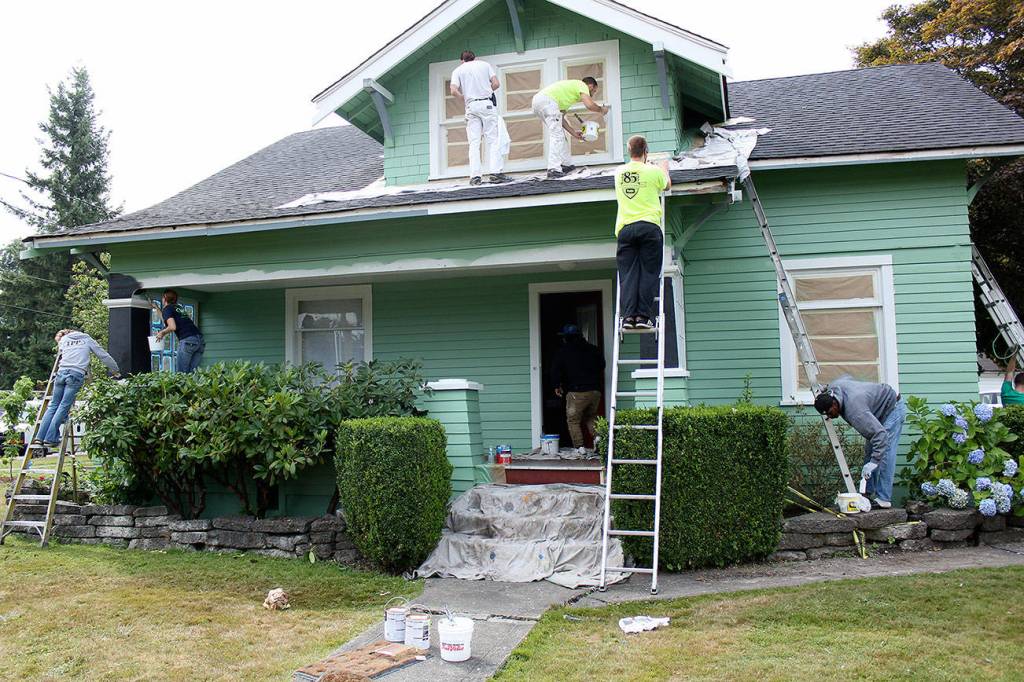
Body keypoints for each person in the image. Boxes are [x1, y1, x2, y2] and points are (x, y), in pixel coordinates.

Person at [814, 376, 906, 509]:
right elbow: (847, 377)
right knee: (870, 451)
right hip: (877, 411)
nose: (829, 416)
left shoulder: (856, 413)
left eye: (829, 412)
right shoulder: (834, 387)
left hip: (892, 408)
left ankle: (884, 498)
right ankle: (866, 493)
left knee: (884, 452)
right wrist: (825, 388)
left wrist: (874, 462)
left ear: (834, 404)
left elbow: (880, 436)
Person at [614, 135, 671, 330]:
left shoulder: (619, 172)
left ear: (629, 151)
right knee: (648, 272)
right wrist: (664, 168)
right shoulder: (654, 171)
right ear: (646, 151)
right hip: (648, 227)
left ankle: (628, 317)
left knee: (628, 274)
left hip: (626, 230)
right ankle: (643, 317)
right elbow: (667, 184)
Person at [33, 329, 119, 448]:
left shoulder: (64, 340)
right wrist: (115, 369)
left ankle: (39, 437)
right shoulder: (86, 339)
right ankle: (50, 438)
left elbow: (61, 351)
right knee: (64, 405)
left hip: (61, 373)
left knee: (53, 405)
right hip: (75, 374)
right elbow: (103, 355)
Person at [450, 50, 511, 186]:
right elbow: (496, 84)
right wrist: (486, 90)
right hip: (486, 104)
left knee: (474, 142)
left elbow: (453, 90)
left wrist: (464, 98)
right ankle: (495, 173)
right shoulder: (484, 65)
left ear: (462, 60)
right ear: (475, 58)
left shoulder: (458, 70)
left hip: (471, 106)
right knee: (493, 140)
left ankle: (475, 176)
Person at [531, 76, 609, 178]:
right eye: (594, 91)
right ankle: (553, 169)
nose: (592, 94)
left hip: (539, 103)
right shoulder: (582, 85)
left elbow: (561, 120)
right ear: (590, 86)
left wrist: (573, 133)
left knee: (560, 135)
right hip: (547, 101)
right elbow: (589, 105)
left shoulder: (567, 96)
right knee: (557, 135)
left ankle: (566, 165)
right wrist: (601, 110)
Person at [550, 324, 606, 451]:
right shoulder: (593, 349)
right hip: (595, 391)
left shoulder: (563, 352)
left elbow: (555, 370)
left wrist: (556, 385)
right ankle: (598, 438)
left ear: (566, 338)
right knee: (591, 416)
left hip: (576, 392)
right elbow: (602, 365)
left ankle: (579, 447)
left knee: (573, 420)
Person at [155, 289, 205, 373]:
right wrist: (156, 308)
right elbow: (166, 319)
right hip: (200, 341)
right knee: (192, 373)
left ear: (165, 298)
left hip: (188, 340)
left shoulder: (167, 309)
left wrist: (162, 333)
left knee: (181, 373)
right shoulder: (178, 308)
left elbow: (172, 326)